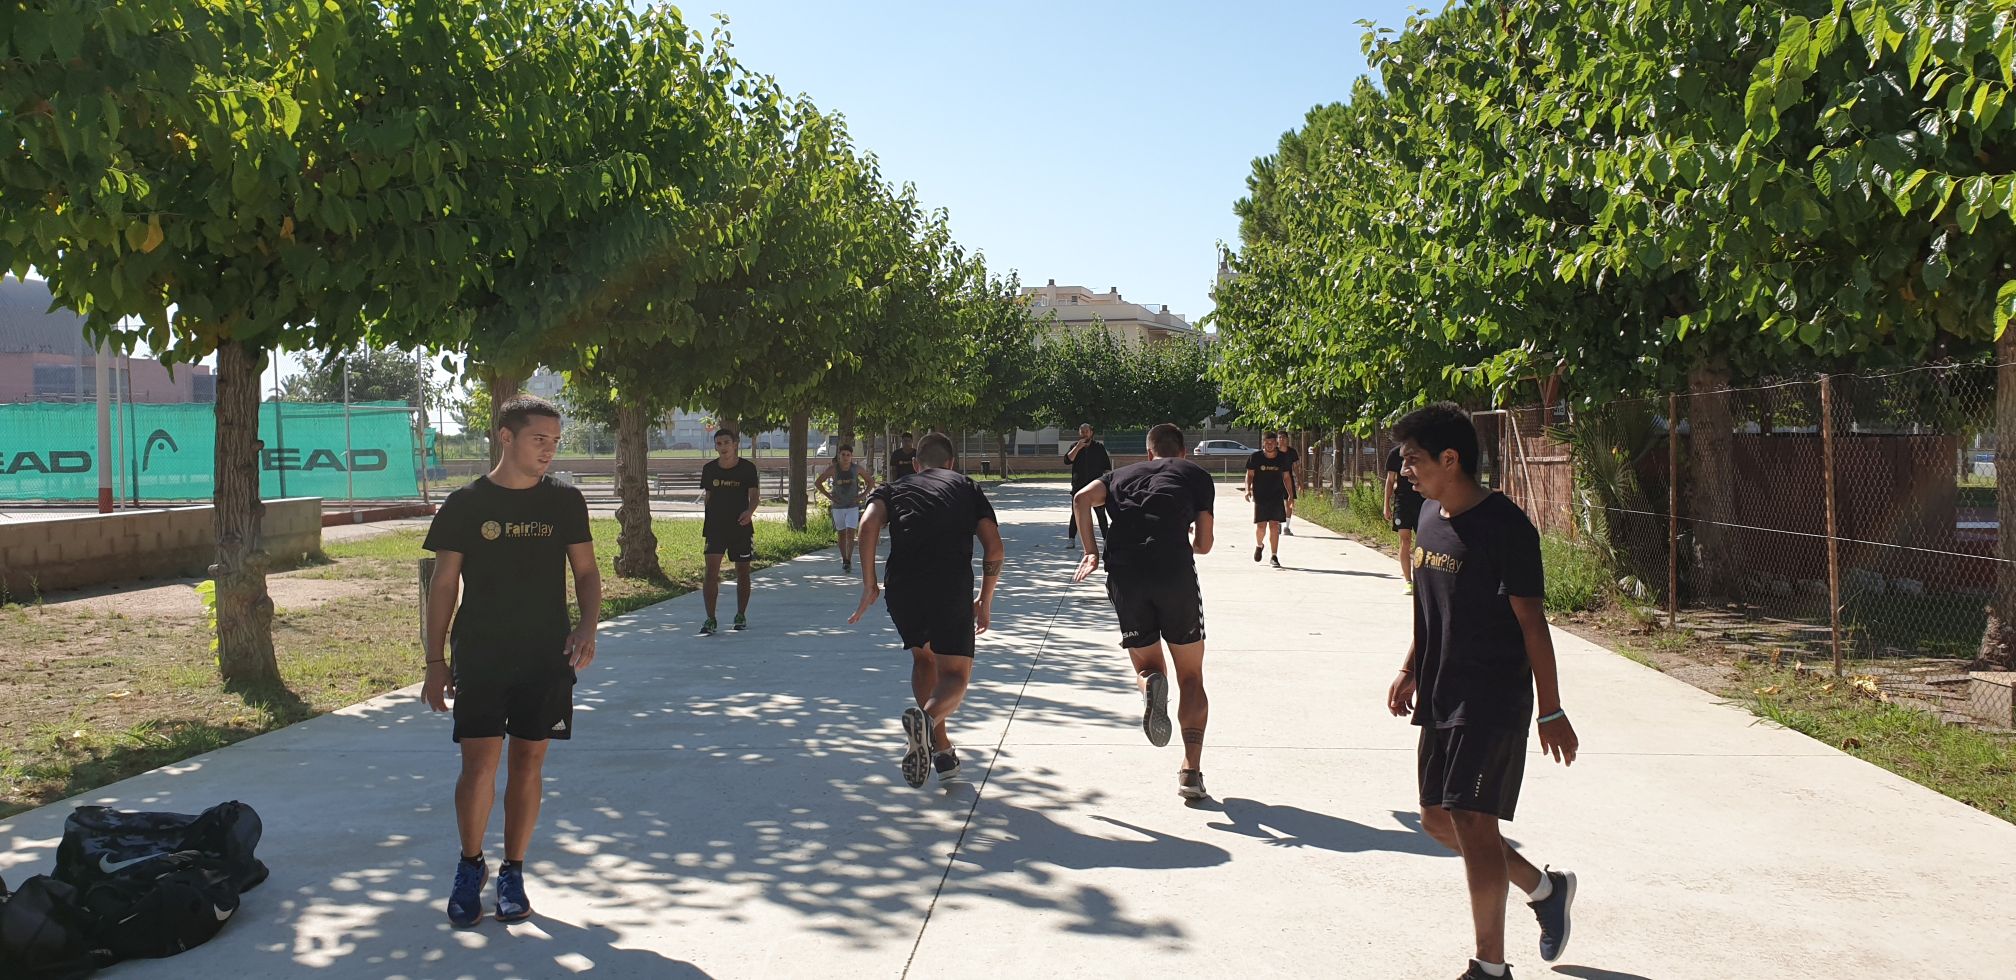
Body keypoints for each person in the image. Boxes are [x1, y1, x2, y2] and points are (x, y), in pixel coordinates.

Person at [1383, 402, 1579, 980]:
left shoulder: (1506, 526)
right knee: (1436, 820)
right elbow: (1430, 607)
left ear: (1451, 458)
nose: (1405, 471)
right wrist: (1411, 666)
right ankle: (1546, 889)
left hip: (1493, 696)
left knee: (1473, 821)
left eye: (1412, 459)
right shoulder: (1427, 515)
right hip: (1441, 689)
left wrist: (1551, 710)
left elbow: (1532, 623)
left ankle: (1489, 967)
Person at [421, 395, 599, 928]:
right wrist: (434, 659)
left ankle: (513, 871)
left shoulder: (565, 501)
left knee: (528, 764)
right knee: (478, 765)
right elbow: (444, 583)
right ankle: (470, 865)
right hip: (482, 654)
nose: (549, 450)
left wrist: (587, 626)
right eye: (538, 439)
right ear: (505, 436)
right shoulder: (465, 503)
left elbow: (586, 572)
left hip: (546, 655)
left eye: (555, 442)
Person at [849, 433, 1004, 787]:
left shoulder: (893, 488)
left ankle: (942, 750)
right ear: (951, 463)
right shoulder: (966, 487)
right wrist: (985, 599)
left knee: (924, 660)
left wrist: (869, 584)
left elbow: (868, 525)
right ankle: (927, 720)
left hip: (902, 587)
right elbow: (994, 548)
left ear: (916, 464)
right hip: (949, 585)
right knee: (955, 676)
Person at [1072, 423, 1215, 799]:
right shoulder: (1195, 475)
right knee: (1191, 677)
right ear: (1183, 452)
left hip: (1126, 576)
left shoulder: (1119, 475)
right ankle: (1191, 772)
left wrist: (1091, 551)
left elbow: (1082, 499)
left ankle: (1151, 685)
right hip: (1174, 574)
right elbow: (1204, 544)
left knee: (1148, 667)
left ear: (1148, 453)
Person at [699, 428, 761, 635]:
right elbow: (708, 497)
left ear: (735, 444)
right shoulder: (709, 469)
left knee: (742, 571)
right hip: (715, 528)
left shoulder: (747, 468)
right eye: (719, 443)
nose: (723, 447)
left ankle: (740, 615)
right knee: (711, 572)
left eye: (726, 442)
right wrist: (710, 519)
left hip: (740, 527)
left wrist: (749, 512)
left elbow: (754, 496)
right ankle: (710, 619)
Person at [815, 443, 875, 573]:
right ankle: (844, 559)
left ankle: (849, 559)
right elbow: (818, 482)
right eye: (843, 455)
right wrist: (830, 496)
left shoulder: (856, 469)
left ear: (851, 456)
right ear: (839, 455)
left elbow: (870, 481)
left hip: (852, 506)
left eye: (848, 455)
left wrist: (862, 496)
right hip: (838, 506)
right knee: (841, 534)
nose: (846, 457)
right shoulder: (833, 469)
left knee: (850, 532)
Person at [1243, 431, 1293, 568]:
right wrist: (1247, 489)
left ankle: (1274, 556)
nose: (1269, 445)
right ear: (1263, 443)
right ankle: (1259, 545)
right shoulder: (1255, 457)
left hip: (1276, 496)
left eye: (1272, 442)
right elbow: (1249, 475)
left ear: (1276, 443)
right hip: (1260, 496)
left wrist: (1290, 494)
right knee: (1261, 526)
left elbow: (1287, 477)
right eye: (1267, 442)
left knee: (1274, 525)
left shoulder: (1282, 458)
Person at [1385, 443, 1427, 595]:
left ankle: (1422, 579)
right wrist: (1386, 505)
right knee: (1405, 540)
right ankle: (1409, 581)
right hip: (1402, 502)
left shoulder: (1423, 450)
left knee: (1422, 542)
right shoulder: (1394, 453)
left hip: (1422, 501)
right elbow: (1390, 481)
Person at [1064, 423, 1113, 546]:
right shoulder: (1074, 446)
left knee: (1101, 513)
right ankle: (1071, 539)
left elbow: (1107, 467)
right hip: (1078, 486)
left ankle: (1106, 539)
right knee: (1076, 513)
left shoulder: (1099, 447)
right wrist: (1077, 448)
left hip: (1096, 486)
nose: (1084, 434)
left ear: (1091, 433)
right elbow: (1067, 460)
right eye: (1082, 431)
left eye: (1086, 431)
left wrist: (1108, 484)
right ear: (1079, 433)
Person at [1279, 432, 1301, 535]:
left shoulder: (1292, 452)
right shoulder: (1274, 451)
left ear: (1287, 439)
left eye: (1284, 437)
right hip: (1276, 479)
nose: (1282, 439)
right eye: (1280, 437)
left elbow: (1296, 467)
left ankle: (1286, 527)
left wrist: (1300, 481)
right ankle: (1278, 524)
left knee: (1289, 502)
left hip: (1288, 479)